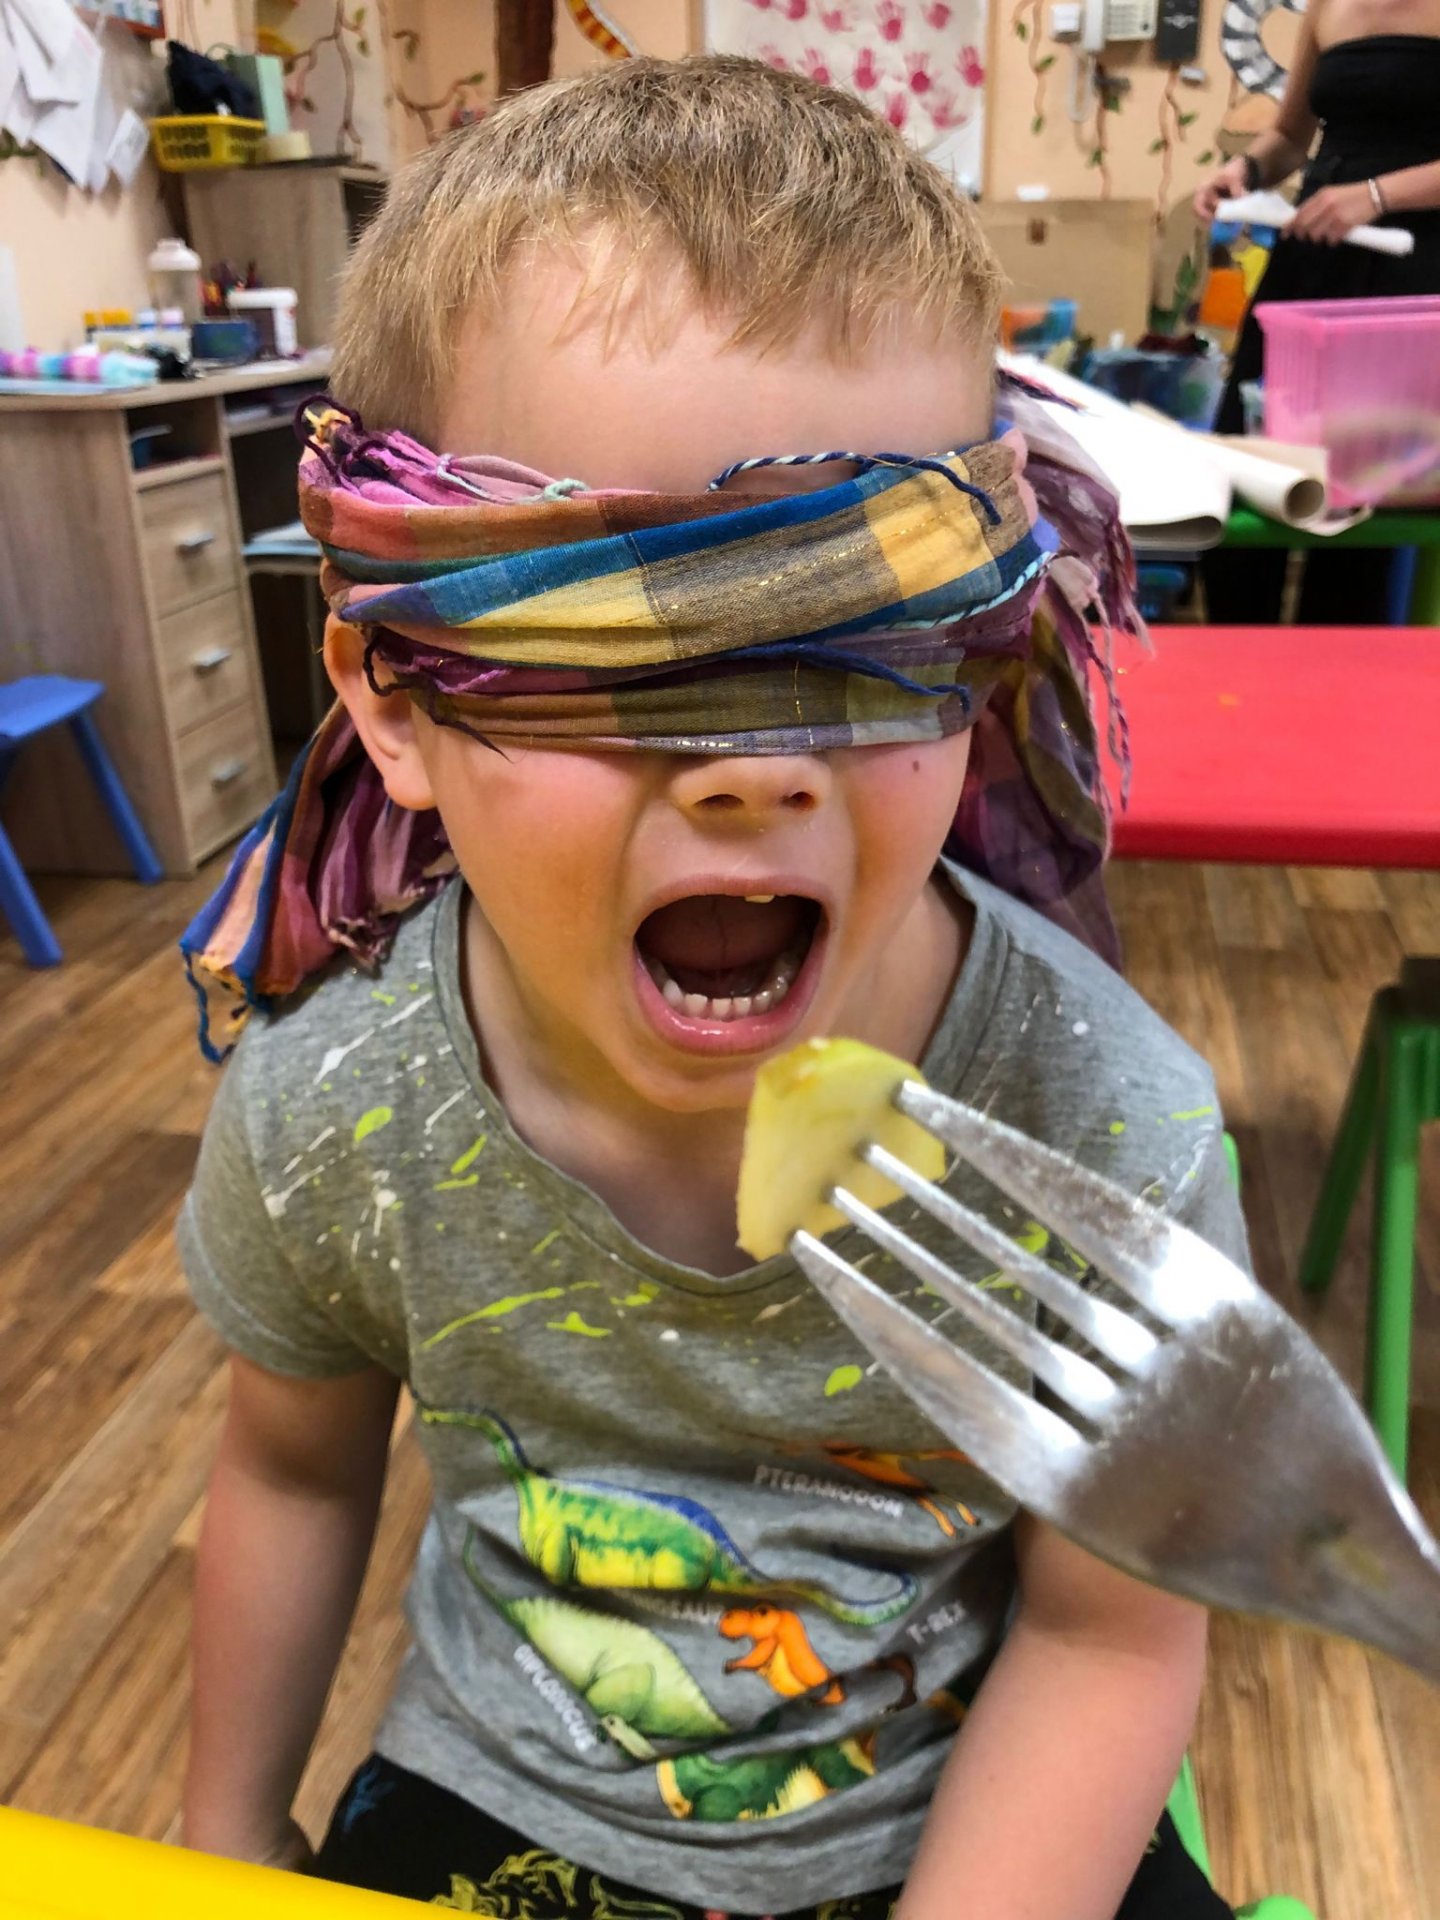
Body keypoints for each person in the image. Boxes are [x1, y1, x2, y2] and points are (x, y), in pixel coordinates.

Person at [177, 57, 1244, 1920]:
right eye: (622, 642)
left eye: (860, 633)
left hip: (965, 1805)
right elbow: (290, 1472)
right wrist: (217, 1848)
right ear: (397, 699)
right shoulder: (336, 1114)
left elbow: (1112, 1630)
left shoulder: (1101, 1128)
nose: (754, 767)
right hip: (506, 1791)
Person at [1195, 0, 1440, 623]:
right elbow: (1289, 139)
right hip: (1310, 264)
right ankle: (1237, 661)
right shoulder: (1328, 8)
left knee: (1362, 501)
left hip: (1410, 276)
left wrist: (1377, 196)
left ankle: (1337, 671)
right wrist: (1245, 170)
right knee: (1246, 463)